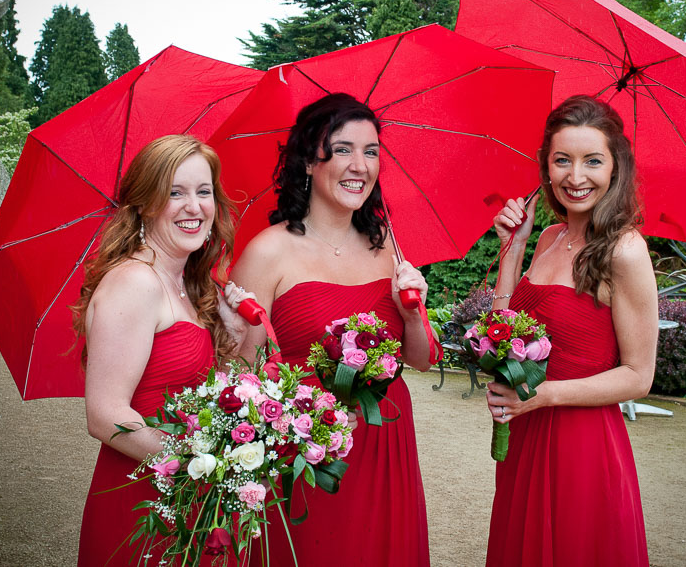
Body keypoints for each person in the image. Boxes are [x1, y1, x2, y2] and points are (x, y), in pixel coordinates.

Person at [230, 92, 435, 566]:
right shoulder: (268, 252)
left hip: (387, 442)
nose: (360, 165)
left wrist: (411, 315)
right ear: (307, 161)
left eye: (371, 151)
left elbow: (421, 359)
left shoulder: (389, 246)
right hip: (308, 447)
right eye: (342, 149)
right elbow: (238, 372)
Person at [484, 95, 657, 566]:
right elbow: (504, 332)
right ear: (546, 166)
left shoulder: (625, 251)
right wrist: (512, 251)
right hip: (525, 436)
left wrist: (544, 395)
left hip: (582, 447)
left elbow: (638, 376)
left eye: (592, 161)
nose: (575, 177)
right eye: (563, 160)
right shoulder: (547, 237)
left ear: (615, 168)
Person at [73, 135, 253, 566]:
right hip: (141, 505)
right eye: (175, 193)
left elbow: (203, 398)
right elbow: (105, 415)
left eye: (203, 191)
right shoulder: (134, 282)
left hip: (188, 500)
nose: (194, 207)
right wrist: (199, 464)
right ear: (145, 204)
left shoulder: (188, 288)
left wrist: (235, 335)